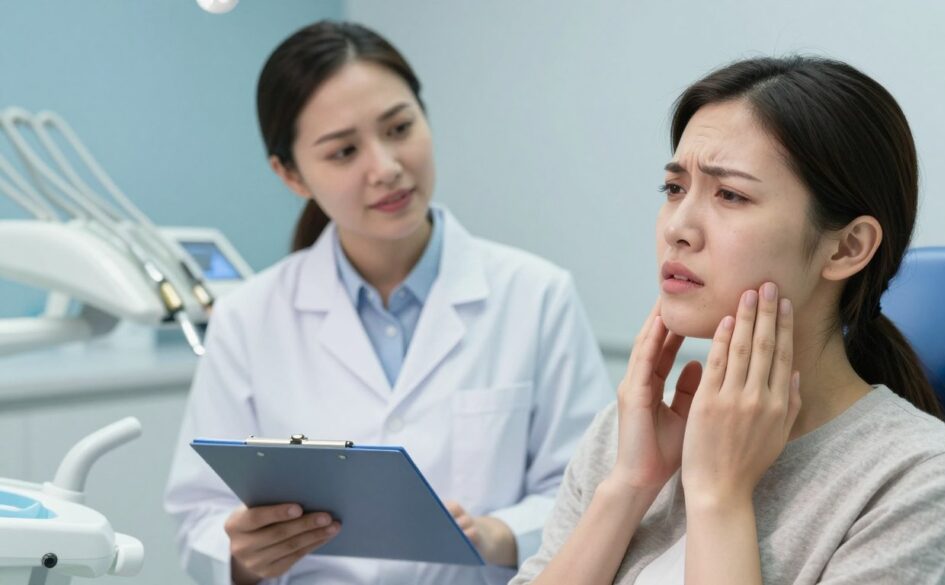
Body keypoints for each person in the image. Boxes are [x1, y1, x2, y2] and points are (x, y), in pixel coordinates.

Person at [511, 56, 945, 585]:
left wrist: (720, 497)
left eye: (731, 195)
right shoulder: (631, 432)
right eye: (674, 189)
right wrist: (629, 485)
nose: (678, 228)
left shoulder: (923, 478)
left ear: (847, 247)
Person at [164, 21, 612, 585]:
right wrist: (244, 555)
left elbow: (595, 491)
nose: (386, 166)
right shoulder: (247, 319)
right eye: (344, 151)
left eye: (399, 127)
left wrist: (498, 535)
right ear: (290, 174)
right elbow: (198, 517)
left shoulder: (537, 295)